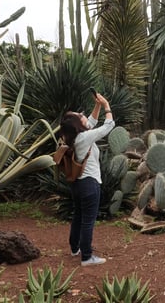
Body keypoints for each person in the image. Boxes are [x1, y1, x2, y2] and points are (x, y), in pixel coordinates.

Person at [58, 93, 114, 266]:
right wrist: (106, 106)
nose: (83, 115)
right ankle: (87, 257)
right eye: (79, 116)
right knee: (88, 220)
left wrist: (96, 105)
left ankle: (75, 249)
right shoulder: (84, 138)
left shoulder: (71, 136)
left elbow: (91, 122)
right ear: (77, 124)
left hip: (77, 184)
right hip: (90, 183)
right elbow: (108, 125)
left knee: (78, 216)